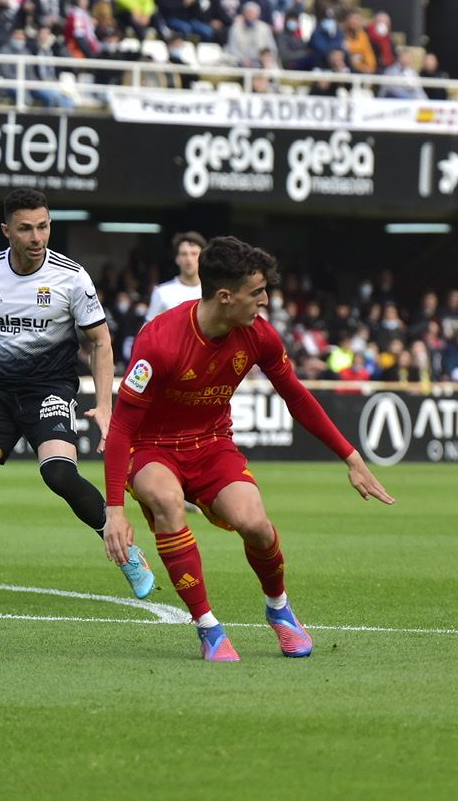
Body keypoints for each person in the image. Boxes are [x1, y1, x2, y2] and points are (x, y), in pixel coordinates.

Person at [102, 236, 394, 661]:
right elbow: (124, 424)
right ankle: (209, 628)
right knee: (167, 502)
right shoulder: (159, 340)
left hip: (212, 444)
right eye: (256, 292)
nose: (265, 300)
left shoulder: (259, 336)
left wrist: (350, 457)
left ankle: (279, 609)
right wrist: (114, 510)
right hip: (151, 448)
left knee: (255, 525)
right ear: (225, 296)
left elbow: (296, 396)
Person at [0, 188, 154, 604]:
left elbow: (101, 342)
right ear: (6, 231)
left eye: (44, 226)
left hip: (51, 388)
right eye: (26, 229)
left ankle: (129, 556)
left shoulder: (71, 277)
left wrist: (105, 404)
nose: (37, 237)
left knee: (58, 474)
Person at [145, 232, 206, 323]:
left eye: (194, 254)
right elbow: (148, 331)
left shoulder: (213, 292)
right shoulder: (162, 292)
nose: (189, 259)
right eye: (184, 254)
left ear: (202, 257)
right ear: (177, 258)